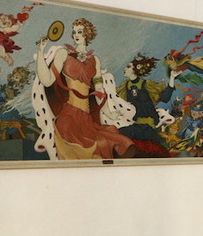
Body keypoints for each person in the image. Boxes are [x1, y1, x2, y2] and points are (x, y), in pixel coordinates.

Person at [33, 18, 135, 160]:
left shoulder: (95, 60)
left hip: (86, 119)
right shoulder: (63, 54)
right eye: (74, 32)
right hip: (69, 117)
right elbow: (47, 80)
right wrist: (40, 52)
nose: (76, 35)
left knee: (105, 143)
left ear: (87, 34)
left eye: (80, 32)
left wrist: (108, 112)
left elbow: (99, 91)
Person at [116, 53, 179, 157]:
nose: (125, 68)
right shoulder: (125, 86)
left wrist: (172, 78)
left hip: (147, 126)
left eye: (128, 67)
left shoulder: (146, 84)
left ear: (136, 68)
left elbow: (164, 98)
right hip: (134, 123)